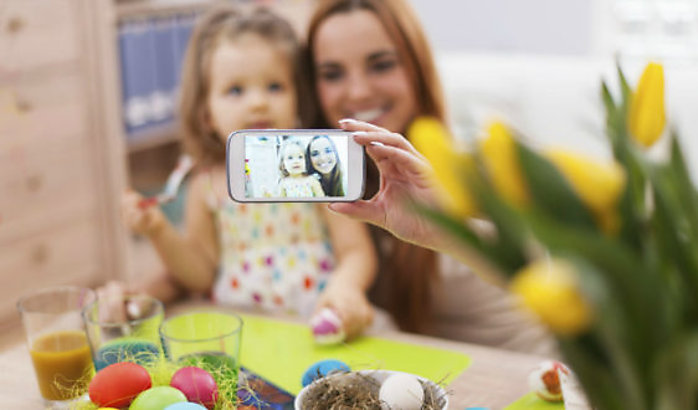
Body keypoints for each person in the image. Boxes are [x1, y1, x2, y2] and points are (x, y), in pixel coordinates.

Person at [306, 0, 554, 354]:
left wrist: (448, 227)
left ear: (417, 67)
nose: (358, 91)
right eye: (332, 74)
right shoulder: (335, 190)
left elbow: (544, 270)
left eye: (382, 65)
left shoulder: (480, 162)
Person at [120, 5, 377, 339]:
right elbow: (200, 274)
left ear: (298, 98)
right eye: (236, 90)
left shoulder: (318, 167)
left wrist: (346, 287)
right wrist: (158, 230)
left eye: (274, 87)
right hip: (243, 336)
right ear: (207, 114)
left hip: (317, 326)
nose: (258, 103)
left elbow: (356, 250)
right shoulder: (206, 185)